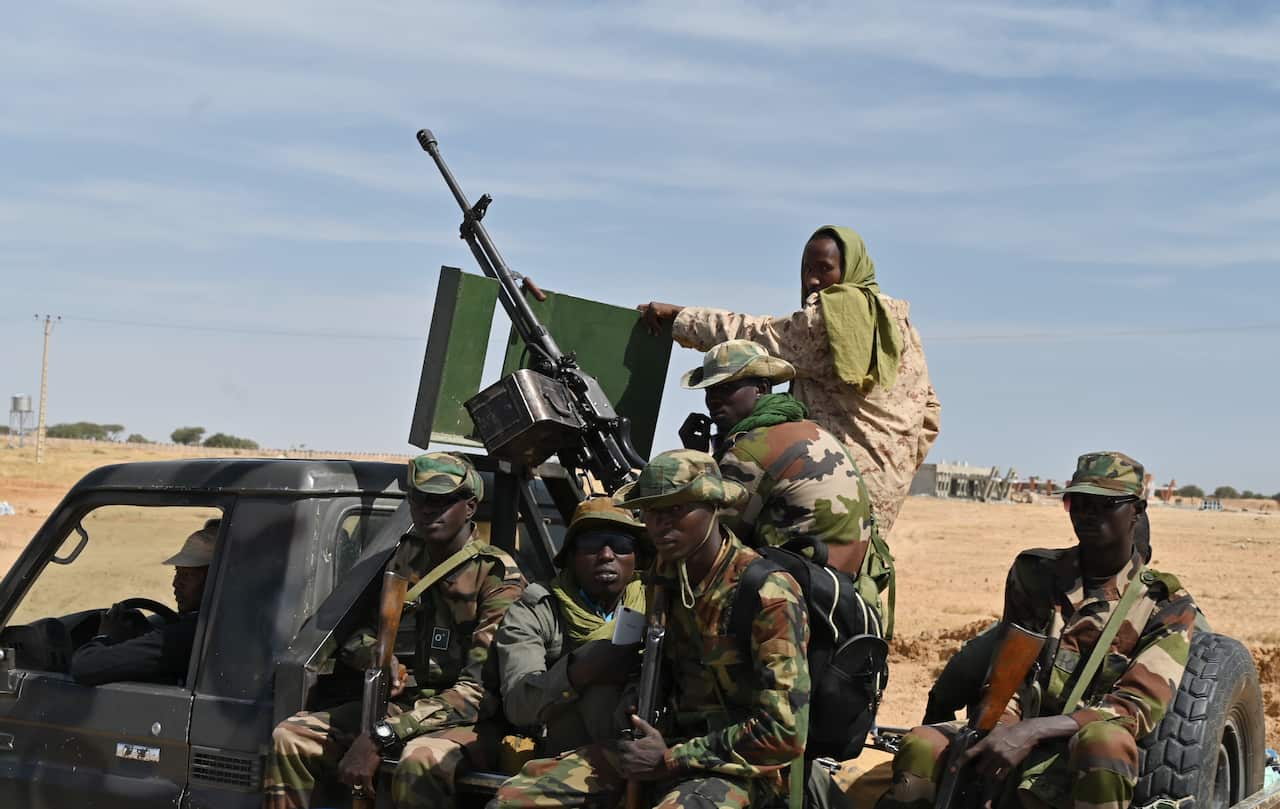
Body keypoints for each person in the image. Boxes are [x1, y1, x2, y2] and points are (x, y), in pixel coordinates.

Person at [490, 449, 810, 809]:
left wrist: (671, 759)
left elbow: (783, 732)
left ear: (713, 505)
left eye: (677, 510)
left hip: (736, 768)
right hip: (659, 748)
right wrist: (633, 702)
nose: (660, 524)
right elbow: (658, 664)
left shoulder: (766, 593)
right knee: (515, 799)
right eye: (652, 512)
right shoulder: (665, 576)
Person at [877, 452, 1198, 809]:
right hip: (1018, 729)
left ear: (1137, 510)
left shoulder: (1164, 603)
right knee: (922, 744)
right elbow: (1011, 671)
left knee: (1104, 741)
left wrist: (1035, 730)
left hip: (1085, 746)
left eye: (1106, 504)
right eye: (1078, 502)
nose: (1088, 514)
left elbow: (1133, 708)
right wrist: (1004, 727)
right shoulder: (1035, 574)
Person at [638, 225, 940, 539]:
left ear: (849, 269)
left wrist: (681, 319)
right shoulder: (898, 326)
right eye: (807, 269)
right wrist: (893, 470)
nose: (812, 279)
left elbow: (755, 339)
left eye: (825, 269)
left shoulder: (835, 317)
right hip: (879, 498)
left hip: (826, 490)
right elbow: (929, 412)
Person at [265, 453, 526, 809]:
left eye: (444, 501)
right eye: (421, 499)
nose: (430, 510)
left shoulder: (496, 575)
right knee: (292, 736)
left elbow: (478, 693)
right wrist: (379, 656)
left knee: (420, 760)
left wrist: (379, 736)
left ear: (469, 507)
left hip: (467, 718)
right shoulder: (404, 558)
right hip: (399, 705)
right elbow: (353, 637)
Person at [679, 339, 893, 627]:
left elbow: (710, 536)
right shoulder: (810, 430)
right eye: (710, 389)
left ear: (762, 389)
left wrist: (693, 461)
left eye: (727, 387)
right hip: (845, 596)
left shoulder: (752, 449)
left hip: (798, 602)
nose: (715, 398)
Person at [495, 496, 652, 757]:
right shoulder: (537, 609)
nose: (605, 555)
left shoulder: (657, 603)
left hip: (643, 753)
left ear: (637, 557)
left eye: (620, 544)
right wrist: (579, 671)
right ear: (571, 557)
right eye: (591, 545)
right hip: (566, 755)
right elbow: (519, 704)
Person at [69, 519, 216, 686]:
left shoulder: (189, 634)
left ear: (215, 581)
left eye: (188, 576)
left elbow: (85, 667)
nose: (176, 583)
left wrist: (105, 636)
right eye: (178, 572)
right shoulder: (222, 624)